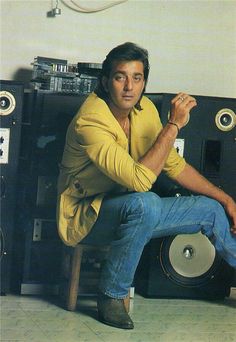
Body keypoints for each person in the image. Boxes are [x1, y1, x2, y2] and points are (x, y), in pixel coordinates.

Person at [57, 42, 236, 330]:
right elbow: (140, 182)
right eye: (120, 77)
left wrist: (227, 200)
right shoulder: (90, 119)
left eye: (137, 78)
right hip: (88, 215)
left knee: (210, 209)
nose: (129, 87)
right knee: (146, 201)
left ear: (144, 82)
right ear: (106, 82)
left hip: (135, 212)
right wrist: (174, 126)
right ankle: (111, 296)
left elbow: (174, 166)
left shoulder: (145, 110)